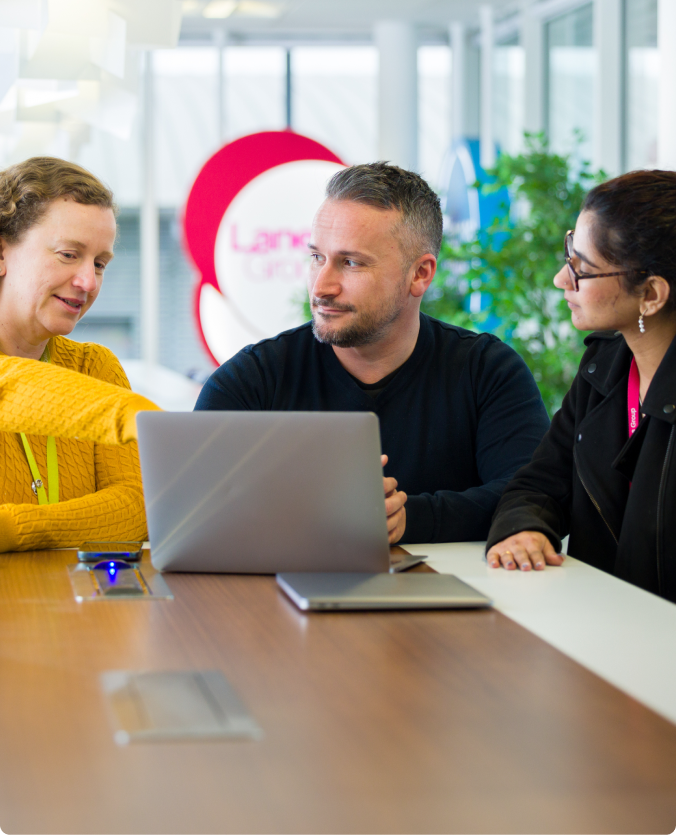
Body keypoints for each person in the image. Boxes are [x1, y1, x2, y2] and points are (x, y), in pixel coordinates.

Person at [195, 162, 549, 544]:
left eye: (351, 263)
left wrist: (410, 518)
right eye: (317, 258)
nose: (321, 287)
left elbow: (532, 495)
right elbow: (191, 505)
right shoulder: (252, 380)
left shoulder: (488, 371)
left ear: (420, 274)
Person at [486, 170, 676, 602]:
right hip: (596, 624)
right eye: (569, 256)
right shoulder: (603, 366)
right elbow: (539, 484)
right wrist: (525, 530)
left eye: (582, 270)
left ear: (650, 294)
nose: (561, 279)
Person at [0, 156, 158, 553]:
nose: (88, 282)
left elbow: (137, 508)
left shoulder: (94, 367)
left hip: (81, 593)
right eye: (69, 254)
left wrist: (14, 528)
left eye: (100, 264)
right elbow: (9, 387)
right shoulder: (107, 400)